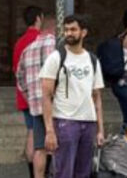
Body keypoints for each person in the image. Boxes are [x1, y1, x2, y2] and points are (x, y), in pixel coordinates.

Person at [42, 15, 105, 178]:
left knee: (84, 173)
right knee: (64, 173)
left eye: (73, 29)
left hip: (88, 123)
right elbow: (46, 96)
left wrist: (100, 130)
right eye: (66, 29)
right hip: (65, 122)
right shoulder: (56, 58)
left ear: (83, 32)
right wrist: (49, 131)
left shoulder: (92, 60)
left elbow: (97, 96)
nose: (68, 33)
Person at [16, 11, 58, 178]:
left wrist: (30, 97)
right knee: (57, 148)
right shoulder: (57, 45)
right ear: (56, 29)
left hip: (36, 107)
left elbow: (19, 77)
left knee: (39, 148)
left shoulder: (27, 49)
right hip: (55, 106)